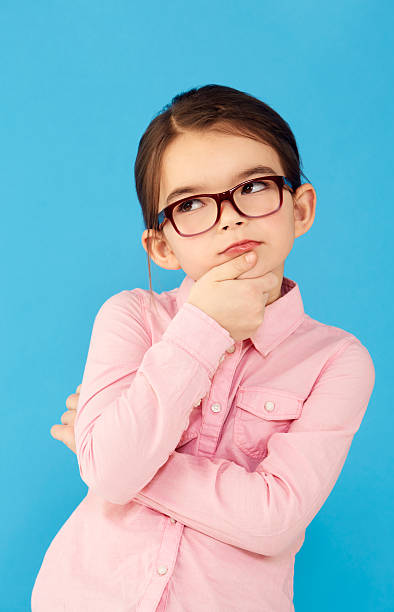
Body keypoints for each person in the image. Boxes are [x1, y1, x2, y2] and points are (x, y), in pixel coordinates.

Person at [31, 84, 375, 611]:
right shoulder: (131, 317)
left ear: (300, 208)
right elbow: (111, 472)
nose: (231, 217)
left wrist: (109, 459)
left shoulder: (335, 359)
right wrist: (204, 326)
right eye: (190, 203)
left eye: (254, 186)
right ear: (162, 245)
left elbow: (275, 521)